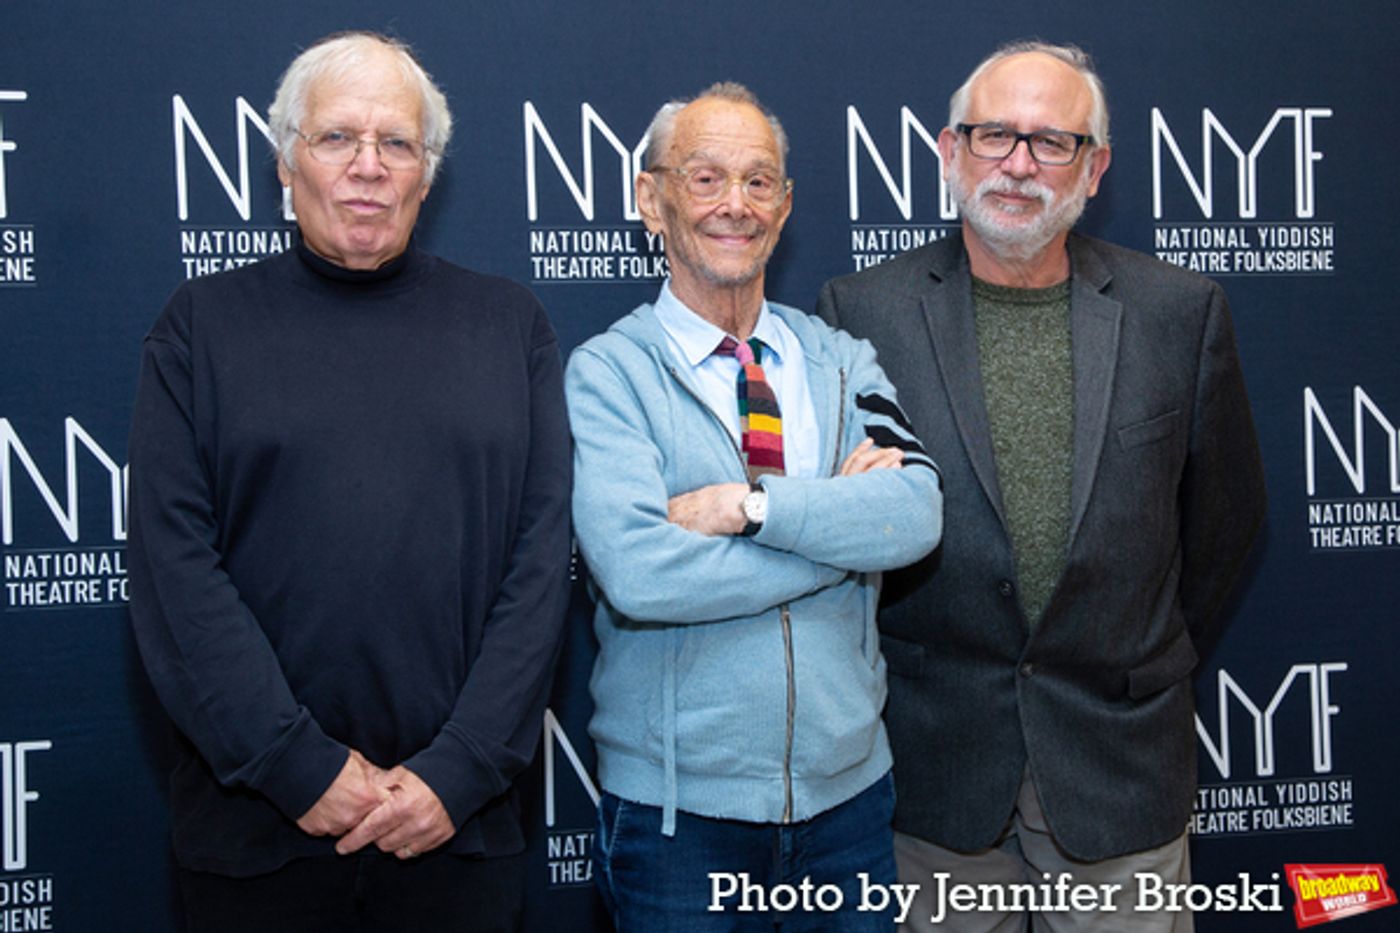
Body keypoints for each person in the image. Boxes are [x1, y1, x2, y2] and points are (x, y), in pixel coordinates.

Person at [818, 41, 1267, 933]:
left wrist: (1127, 654)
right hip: (935, 782)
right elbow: (845, 534)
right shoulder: (859, 312)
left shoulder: (1178, 312)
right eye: (994, 136)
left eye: (1051, 142)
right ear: (950, 152)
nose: (1019, 164)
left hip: (1118, 771)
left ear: (1094, 169)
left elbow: (1224, 526)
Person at [127, 31, 571, 932]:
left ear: (427, 172)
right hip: (255, 836)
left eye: (396, 143)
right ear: (286, 160)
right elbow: (174, 572)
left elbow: (540, 564)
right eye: (337, 138)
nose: (368, 166)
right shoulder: (198, 329)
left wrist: (458, 770)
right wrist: (300, 768)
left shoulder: (508, 325)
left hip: (459, 833)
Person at [565, 82, 943, 931]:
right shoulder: (609, 373)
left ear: (786, 205)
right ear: (649, 198)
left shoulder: (842, 360)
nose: (734, 204)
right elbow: (639, 573)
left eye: (759, 180)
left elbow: (916, 513)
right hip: (677, 828)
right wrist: (843, 532)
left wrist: (751, 507)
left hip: (849, 812)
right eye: (704, 179)